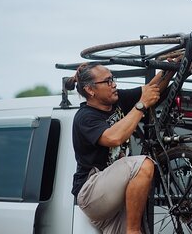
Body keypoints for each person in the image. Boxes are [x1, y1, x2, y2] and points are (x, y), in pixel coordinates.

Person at [66, 62, 177, 234]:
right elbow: (114, 137)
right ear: (90, 90)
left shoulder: (118, 100)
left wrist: (172, 68)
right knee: (144, 164)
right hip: (92, 192)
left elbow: (151, 89)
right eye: (108, 81)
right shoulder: (85, 117)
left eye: (113, 79)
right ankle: (133, 231)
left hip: (116, 196)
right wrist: (140, 106)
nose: (114, 84)